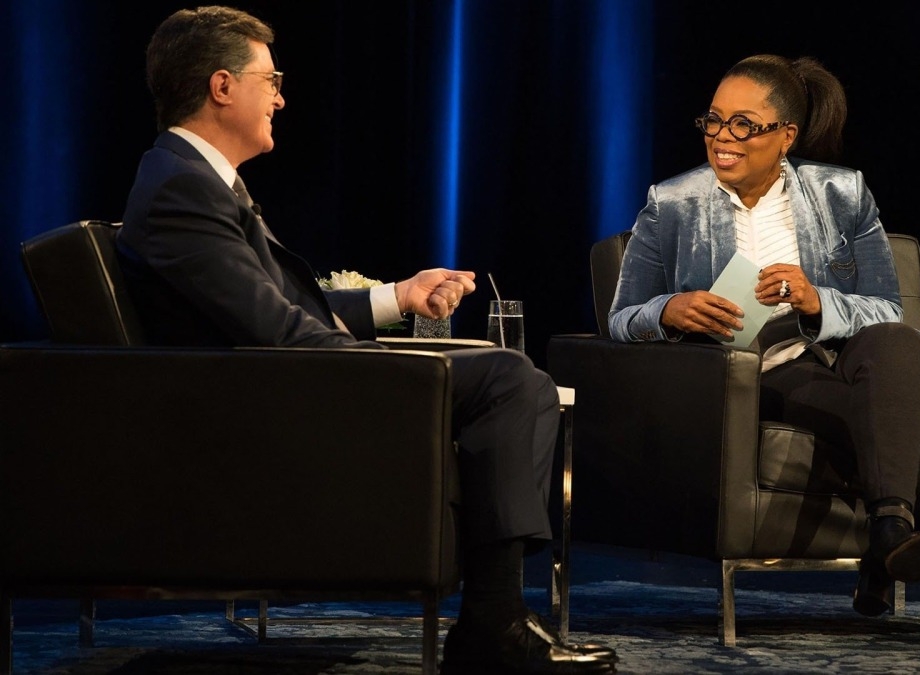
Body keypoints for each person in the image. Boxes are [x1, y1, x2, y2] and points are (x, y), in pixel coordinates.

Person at [115, 6, 618, 674]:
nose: (282, 97)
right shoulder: (181, 188)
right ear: (222, 86)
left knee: (506, 375)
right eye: (272, 79)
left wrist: (397, 298)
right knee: (506, 378)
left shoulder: (196, 179)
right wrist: (392, 370)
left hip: (273, 390)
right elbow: (278, 332)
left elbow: (284, 305)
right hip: (255, 415)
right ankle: (493, 623)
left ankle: (495, 615)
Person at [608, 53, 920, 656]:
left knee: (892, 344)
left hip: (868, 361)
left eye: (743, 124)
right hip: (764, 375)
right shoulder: (673, 203)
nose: (722, 139)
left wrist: (817, 302)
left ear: (785, 136)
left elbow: (888, 310)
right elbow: (619, 318)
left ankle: (889, 527)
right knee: (871, 414)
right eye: (712, 121)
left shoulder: (842, 194)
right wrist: (667, 310)